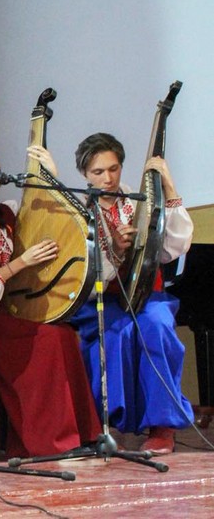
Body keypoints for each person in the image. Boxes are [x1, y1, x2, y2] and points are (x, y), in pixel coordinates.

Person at [0, 144, 101, 457]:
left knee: (63, 334)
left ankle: (83, 433)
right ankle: (48, 441)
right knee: (45, 340)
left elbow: (43, 213)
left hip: (7, 310)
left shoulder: (5, 214)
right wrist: (21, 263)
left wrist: (51, 176)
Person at [70, 133, 194, 454]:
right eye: (98, 172)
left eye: (114, 169)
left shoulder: (140, 201)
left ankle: (162, 426)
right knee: (116, 333)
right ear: (84, 173)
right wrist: (115, 250)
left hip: (146, 296)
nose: (108, 179)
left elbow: (175, 247)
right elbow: (82, 271)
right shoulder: (77, 212)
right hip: (103, 299)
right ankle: (108, 424)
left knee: (157, 327)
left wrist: (169, 187)